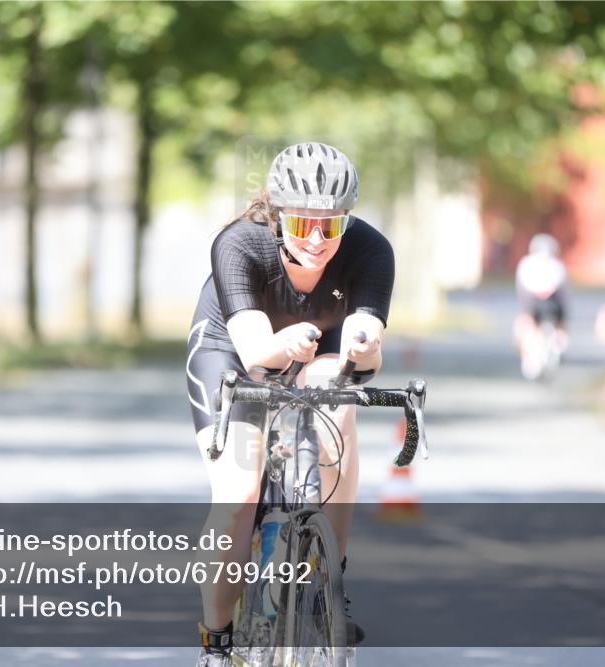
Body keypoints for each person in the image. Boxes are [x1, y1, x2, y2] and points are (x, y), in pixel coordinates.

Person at [186, 142, 394, 666]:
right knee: (239, 495)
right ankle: (216, 638)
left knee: (337, 411)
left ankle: (331, 580)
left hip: (318, 345)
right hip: (233, 350)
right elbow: (257, 353)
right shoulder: (240, 243)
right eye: (302, 225)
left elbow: (366, 351)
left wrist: (365, 346)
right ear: (278, 216)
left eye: (332, 225)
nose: (318, 241)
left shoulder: (370, 250)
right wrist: (286, 345)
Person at [514, 233, 568, 379]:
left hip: (533, 304)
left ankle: (528, 355)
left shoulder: (526, 264)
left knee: (525, 327)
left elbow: (522, 291)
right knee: (560, 326)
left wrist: (526, 312)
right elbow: (563, 293)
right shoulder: (558, 265)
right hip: (554, 306)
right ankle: (560, 342)